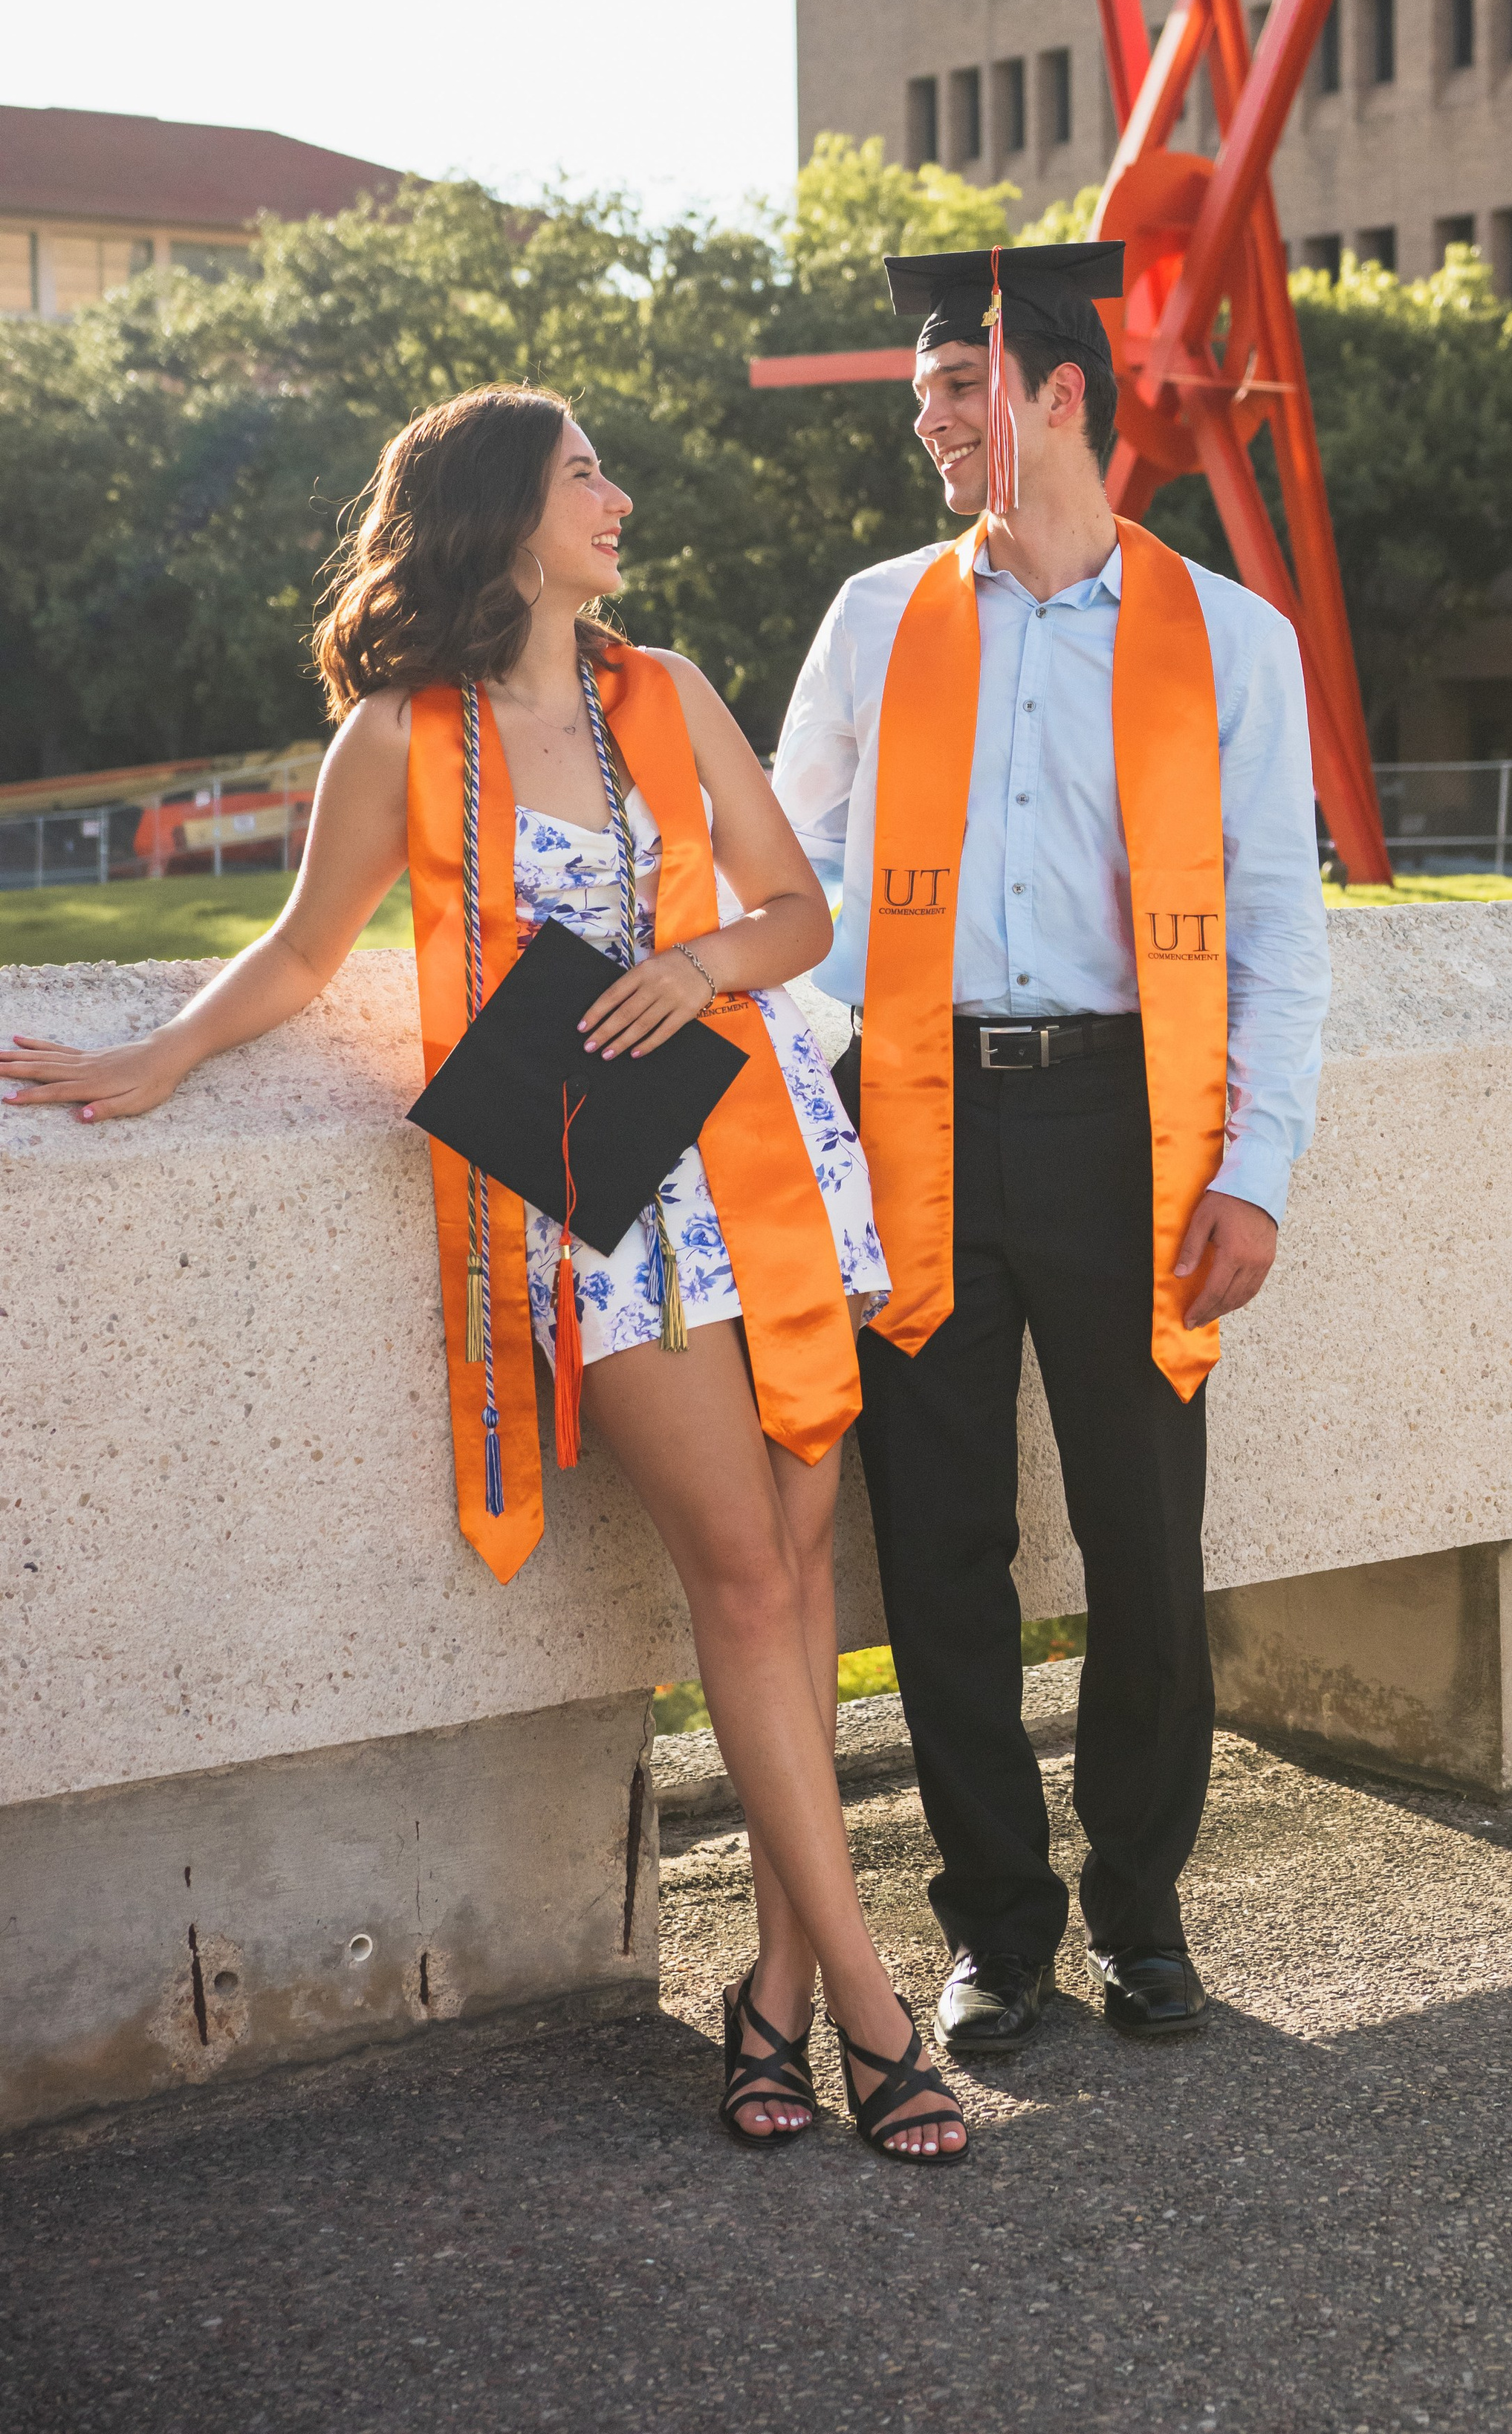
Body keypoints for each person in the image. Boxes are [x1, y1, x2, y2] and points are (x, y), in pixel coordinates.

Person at [0, 384, 970, 2166]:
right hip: (588, 1197)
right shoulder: (399, 737)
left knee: (798, 1574)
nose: (618, 495)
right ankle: (870, 2004)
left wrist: (692, 967)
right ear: (505, 515)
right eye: (585, 472)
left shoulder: (665, 693)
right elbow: (305, 951)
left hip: (759, 1163)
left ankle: (771, 1992)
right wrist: (160, 1054)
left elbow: (796, 915)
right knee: (738, 1576)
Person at [772, 242, 1332, 2054]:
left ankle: (1142, 1914)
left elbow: (1275, 922)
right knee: (939, 1547)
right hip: (913, 1116)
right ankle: (996, 1931)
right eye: (922, 394)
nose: (928, 421)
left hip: (1126, 1126)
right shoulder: (875, 619)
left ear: (1058, 395)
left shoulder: (1227, 638)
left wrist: (1255, 1166)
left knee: (1142, 1540)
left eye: (957, 388)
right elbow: (795, 875)